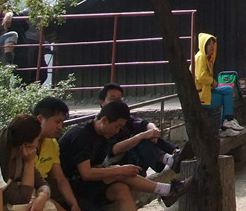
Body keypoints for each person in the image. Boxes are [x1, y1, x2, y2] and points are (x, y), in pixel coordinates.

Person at [58, 100, 191, 210]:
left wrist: (116, 171)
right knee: (120, 172)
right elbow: (86, 173)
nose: (117, 131)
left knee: (122, 189)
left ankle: (167, 190)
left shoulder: (104, 136)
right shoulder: (81, 135)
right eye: (117, 126)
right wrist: (118, 171)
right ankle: (167, 190)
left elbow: (97, 168)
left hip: (88, 184)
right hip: (70, 185)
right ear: (104, 120)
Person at [98, 83, 188, 175]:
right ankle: (170, 160)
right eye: (113, 98)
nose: (117, 101)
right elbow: (113, 150)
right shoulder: (103, 123)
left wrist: (153, 131)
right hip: (115, 162)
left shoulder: (124, 117)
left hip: (133, 156)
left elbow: (142, 123)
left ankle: (176, 154)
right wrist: (141, 136)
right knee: (140, 139)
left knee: (147, 135)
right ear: (102, 102)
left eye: (119, 98)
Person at [0, 114, 55, 211]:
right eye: (38, 140)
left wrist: (42, 197)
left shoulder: (22, 157)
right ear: (26, 145)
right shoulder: (0, 166)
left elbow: (42, 183)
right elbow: (22, 199)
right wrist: (29, 163)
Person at [33, 97, 81, 211]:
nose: (60, 127)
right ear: (40, 119)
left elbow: (59, 178)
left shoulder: (52, 143)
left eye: (62, 122)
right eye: (57, 122)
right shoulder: (23, 143)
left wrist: (74, 204)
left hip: (44, 191)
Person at [193, 33, 244, 136]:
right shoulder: (200, 57)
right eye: (209, 44)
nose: (212, 46)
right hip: (201, 95)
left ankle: (228, 121)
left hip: (207, 91)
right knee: (225, 98)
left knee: (228, 89)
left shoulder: (207, 59)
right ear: (204, 45)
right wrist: (212, 82)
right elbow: (200, 76)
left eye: (213, 44)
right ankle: (226, 124)